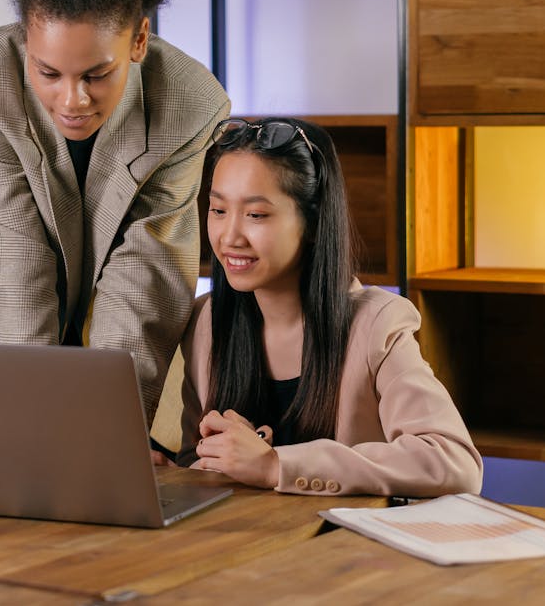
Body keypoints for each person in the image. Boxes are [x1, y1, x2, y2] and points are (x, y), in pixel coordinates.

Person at [0, 0, 230, 423]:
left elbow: (145, 276)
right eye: (48, 73)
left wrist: (107, 422)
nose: (72, 100)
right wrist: (34, 420)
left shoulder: (189, 104)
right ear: (25, 38)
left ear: (139, 40)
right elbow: (11, 261)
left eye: (96, 75)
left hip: (120, 350)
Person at [178, 117, 482, 496]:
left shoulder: (375, 324)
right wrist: (196, 459)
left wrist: (276, 465)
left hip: (343, 547)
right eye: (218, 210)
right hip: (245, 544)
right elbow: (194, 458)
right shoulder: (206, 323)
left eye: (256, 214)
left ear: (314, 222)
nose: (229, 236)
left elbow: (453, 463)